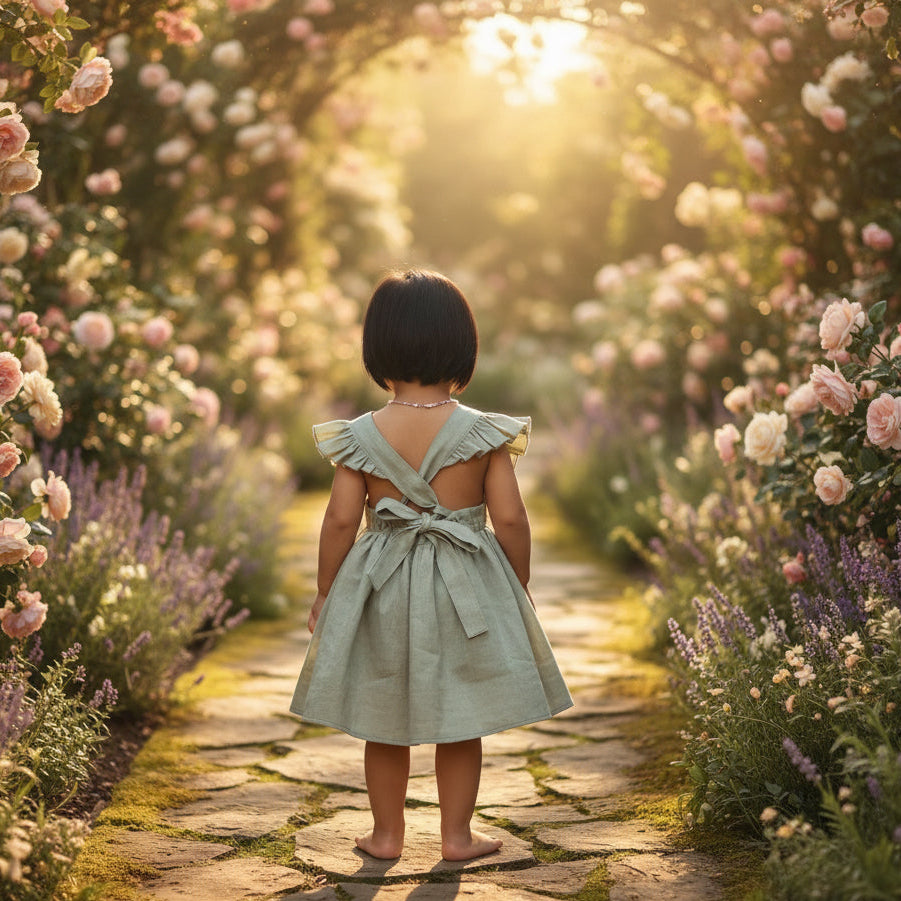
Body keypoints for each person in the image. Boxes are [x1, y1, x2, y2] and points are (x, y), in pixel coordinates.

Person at [290, 269, 573, 862]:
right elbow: (513, 518)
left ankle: (387, 836)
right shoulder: (483, 433)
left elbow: (341, 520)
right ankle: (456, 836)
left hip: (381, 583)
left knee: (382, 712)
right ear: (461, 348)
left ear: (378, 350)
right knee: (461, 714)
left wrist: (325, 591)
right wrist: (516, 583)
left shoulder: (360, 436)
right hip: (465, 579)